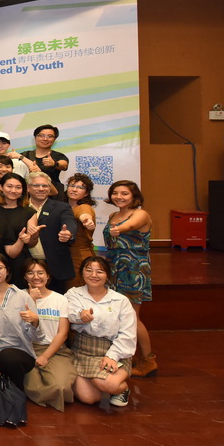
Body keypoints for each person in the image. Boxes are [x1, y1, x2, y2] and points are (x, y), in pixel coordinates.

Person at [67, 256, 136, 407]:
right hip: (83, 351)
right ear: (82, 273)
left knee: (109, 385)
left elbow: (128, 334)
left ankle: (122, 389)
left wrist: (112, 356)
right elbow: (69, 313)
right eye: (89, 270)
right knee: (89, 398)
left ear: (107, 275)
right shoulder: (73, 294)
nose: (94, 275)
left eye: (100, 271)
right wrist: (80, 315)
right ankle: (100, 382)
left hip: (114, 350)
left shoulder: (120, 300)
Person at [103, 180, 156, 377]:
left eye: (124, 193)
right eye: (115, 193)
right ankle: (124, 356)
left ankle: (148, 360)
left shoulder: (140, 214)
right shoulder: (113, 215)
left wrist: (120, 229)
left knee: (132, 317)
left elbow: (129, 226)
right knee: (116, 315)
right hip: (113, 267)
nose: (119, 197)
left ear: (134, 196)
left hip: (133, 269)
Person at [0, 253, 43, 391]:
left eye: (0, 268)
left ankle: (17, 392)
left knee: (8, 357)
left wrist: (35, 322)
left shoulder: (22, 296)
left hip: (19, 352)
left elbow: (37, 337)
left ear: (7, 270)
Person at [21, 258, 76, 411]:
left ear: (48, 276)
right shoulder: (18, 296)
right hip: (27, 349)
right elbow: (17, 328)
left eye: (40, 273)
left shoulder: (60, 299)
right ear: (25, 277)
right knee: (33, 387)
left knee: (61, 387)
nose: (36, 277)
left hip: (55, 349)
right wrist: (31, 300)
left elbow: (63, 333)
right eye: (30, 273)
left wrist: (45, 356)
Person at [24, 171, 77, 292]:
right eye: (36, 185)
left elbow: (69, 222)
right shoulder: (20, 207)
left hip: (54, 267)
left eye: (45, 186)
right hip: (25, 264)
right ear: (28, 188)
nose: (41, 189)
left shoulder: (61, 207)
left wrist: (68, 233)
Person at [0, 173, 38, 286]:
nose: (13, 190)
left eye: (18, 187)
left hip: (19, 261)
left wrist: (32, 236)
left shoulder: (29, 212)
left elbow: (31, 243)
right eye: (9, 186)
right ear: (1, 187)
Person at [65, 173, 98, 286]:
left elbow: (84, 214)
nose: (74, 189)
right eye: (72, 186)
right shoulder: (64, 207)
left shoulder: (83, 207)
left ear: (86, 193)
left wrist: (86, 220)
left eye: (80, 187)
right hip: (66, 255)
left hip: (78, 256)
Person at [20, 125, 69, 198]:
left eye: (50, 136)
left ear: (54, 139)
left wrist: (54, 163)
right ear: (35, 137)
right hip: (29, 196)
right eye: (41, 136)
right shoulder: (24, 155)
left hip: (52, 196)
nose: (45, 139)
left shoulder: (58, 156)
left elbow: (64, 165)